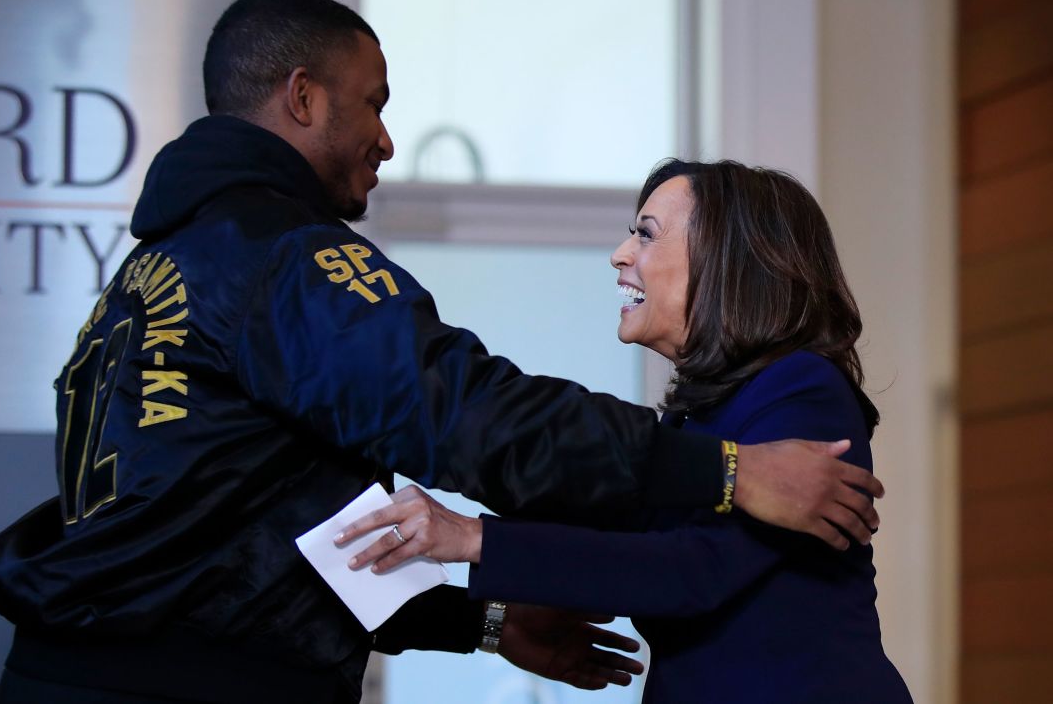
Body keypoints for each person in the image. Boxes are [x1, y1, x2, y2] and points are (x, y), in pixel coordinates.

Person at [0, 0, 884, 704]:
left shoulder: (149, 277)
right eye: (372, 104)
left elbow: (278, 543)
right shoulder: (281, 262)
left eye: (646, 233)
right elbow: (473, 415)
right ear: (302, 97)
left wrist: (482, 622)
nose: (386, 138)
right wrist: (726, 472)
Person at [339, 160, 914, 702]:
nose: (619, 255)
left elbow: (690, 571)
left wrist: (473, 537)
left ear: (729, 258)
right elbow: (632, 545)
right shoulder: (694, 416)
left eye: (645, 233)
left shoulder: (802, 389)